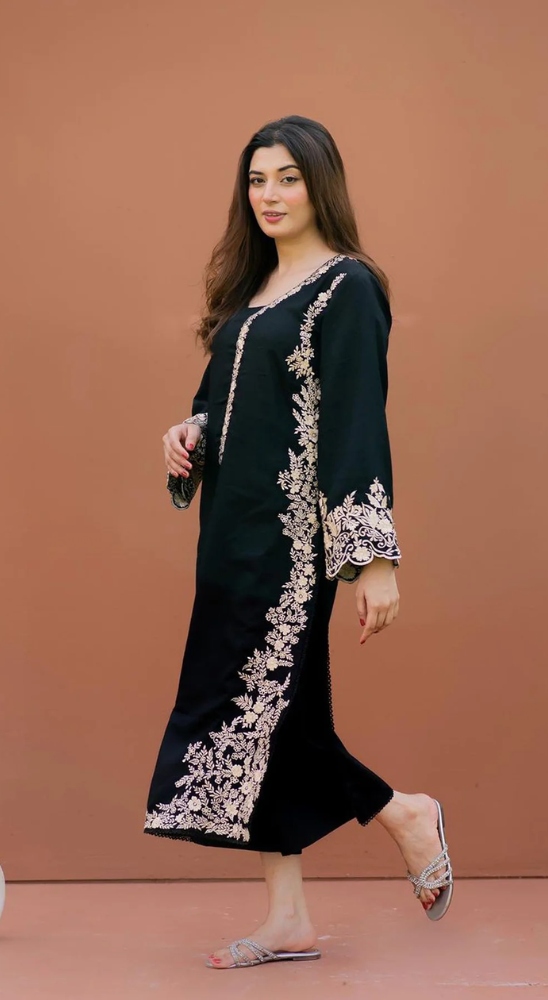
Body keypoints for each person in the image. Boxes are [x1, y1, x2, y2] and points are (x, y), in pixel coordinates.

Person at [143, 115, 453, 970]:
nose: (270, 195)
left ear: (320, 184)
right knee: (282, 719)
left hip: (287, 545)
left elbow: (355, 424)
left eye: (287, 177)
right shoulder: (255, 290)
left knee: (265, 713)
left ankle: (404, 814)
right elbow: (230, 405)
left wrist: (372, 561)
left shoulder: (346, 287)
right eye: (257, 179)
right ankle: (289, 918)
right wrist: (190, 433)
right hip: (228, 537)